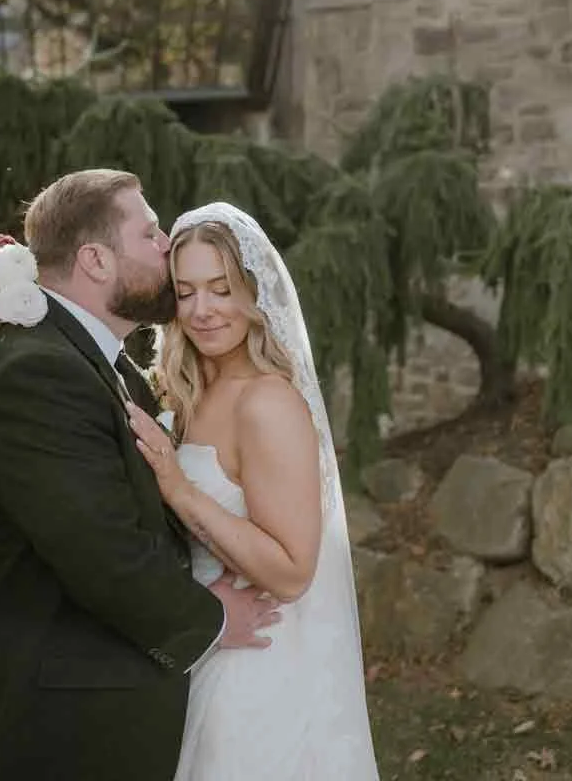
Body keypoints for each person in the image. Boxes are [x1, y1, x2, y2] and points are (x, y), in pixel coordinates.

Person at [0, 171, 280, 781]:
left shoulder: (95, 363)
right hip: (40, 731)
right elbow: (101, 549)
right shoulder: (34, 373)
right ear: (95, 260)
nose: (167, 244)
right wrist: (211, 620)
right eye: (150, 233)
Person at [127, 201, 381, 780]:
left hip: (259, 669)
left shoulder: (267, 402)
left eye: (222, 289)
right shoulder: (188, 391)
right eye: (186, 292)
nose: (203, 310)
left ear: (254, 293)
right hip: (206, 644)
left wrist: (180, 490)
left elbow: (291, 572)